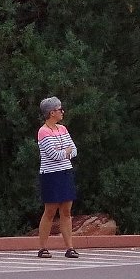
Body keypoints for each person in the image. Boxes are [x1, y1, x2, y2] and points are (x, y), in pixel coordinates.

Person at [37, 96, 79, 258]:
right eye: (59, 109)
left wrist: (66, 152)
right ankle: (43, 247)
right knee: (50, 210)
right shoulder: (43, 131)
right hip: (50, 174)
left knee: (67, 210)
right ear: (51, 112)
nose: (62, 112)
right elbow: (53, 155)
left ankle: (70, 247)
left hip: (65, 172)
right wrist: (65, 152)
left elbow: (73, 150)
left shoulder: (63, 129)